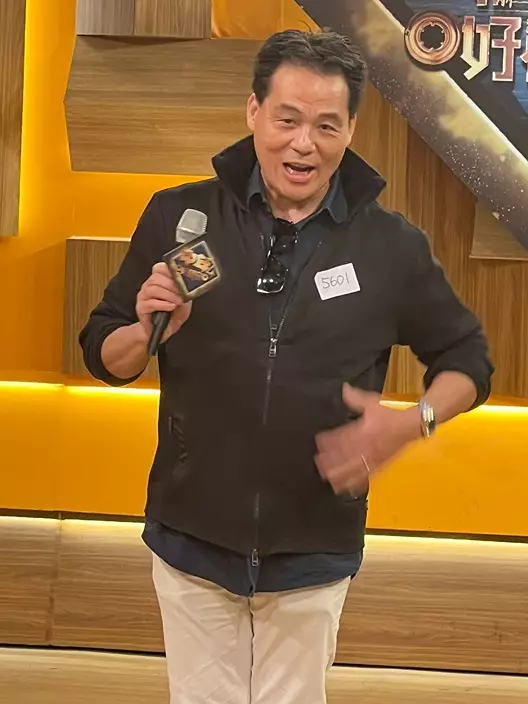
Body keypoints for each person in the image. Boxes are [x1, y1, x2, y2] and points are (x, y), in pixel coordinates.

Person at [79, 29, 494, 704]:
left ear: (351, 129)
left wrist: (411, 421)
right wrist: (143, 331)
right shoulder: (182, 218)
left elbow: (469, 359)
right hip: (190, 535)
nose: (304, 144)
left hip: (314, 544)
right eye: (287, 119)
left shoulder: (392, 247)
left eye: (327, 126)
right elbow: (104, 351)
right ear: (254, 112)